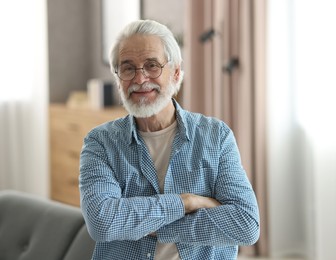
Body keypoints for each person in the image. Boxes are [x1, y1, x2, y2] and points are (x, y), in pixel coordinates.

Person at [79, 19, 260, 260]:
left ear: (175, 73)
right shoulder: (100, 142)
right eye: (128, 68)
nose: (140, 79)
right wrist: (187, 202)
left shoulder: (216, 136)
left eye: (152, 66)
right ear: (118, 77)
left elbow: (246, 224)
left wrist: (146, 225)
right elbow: (103, 222)